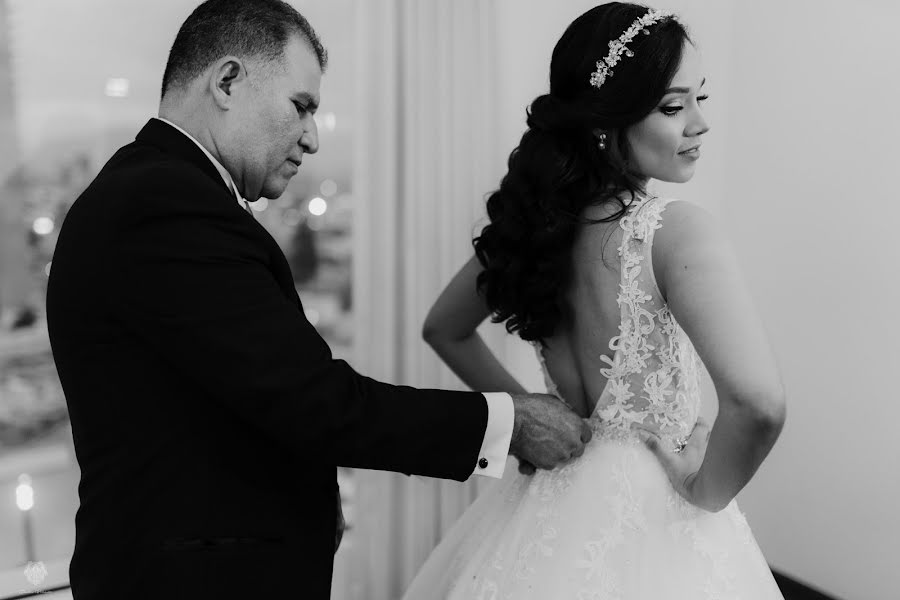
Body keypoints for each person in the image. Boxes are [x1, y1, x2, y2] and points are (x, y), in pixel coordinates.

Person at [44, 1, 591, 598]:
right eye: (301, 107)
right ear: (227, 81)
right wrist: (508, 423)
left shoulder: (161, 193)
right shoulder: (163, 203)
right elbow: (313, 399)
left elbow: (238, 398)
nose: (311, 138)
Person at [402, 3, 787, 598]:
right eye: (672, 106)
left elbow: (443, 328)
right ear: (606, 124)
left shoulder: (528, 227)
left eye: (699, 98)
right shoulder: (674, 231)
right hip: (657, 516)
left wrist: (528, 413)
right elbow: (759, 404)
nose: (700, 124)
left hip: (543, 504)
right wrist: (703, 492)